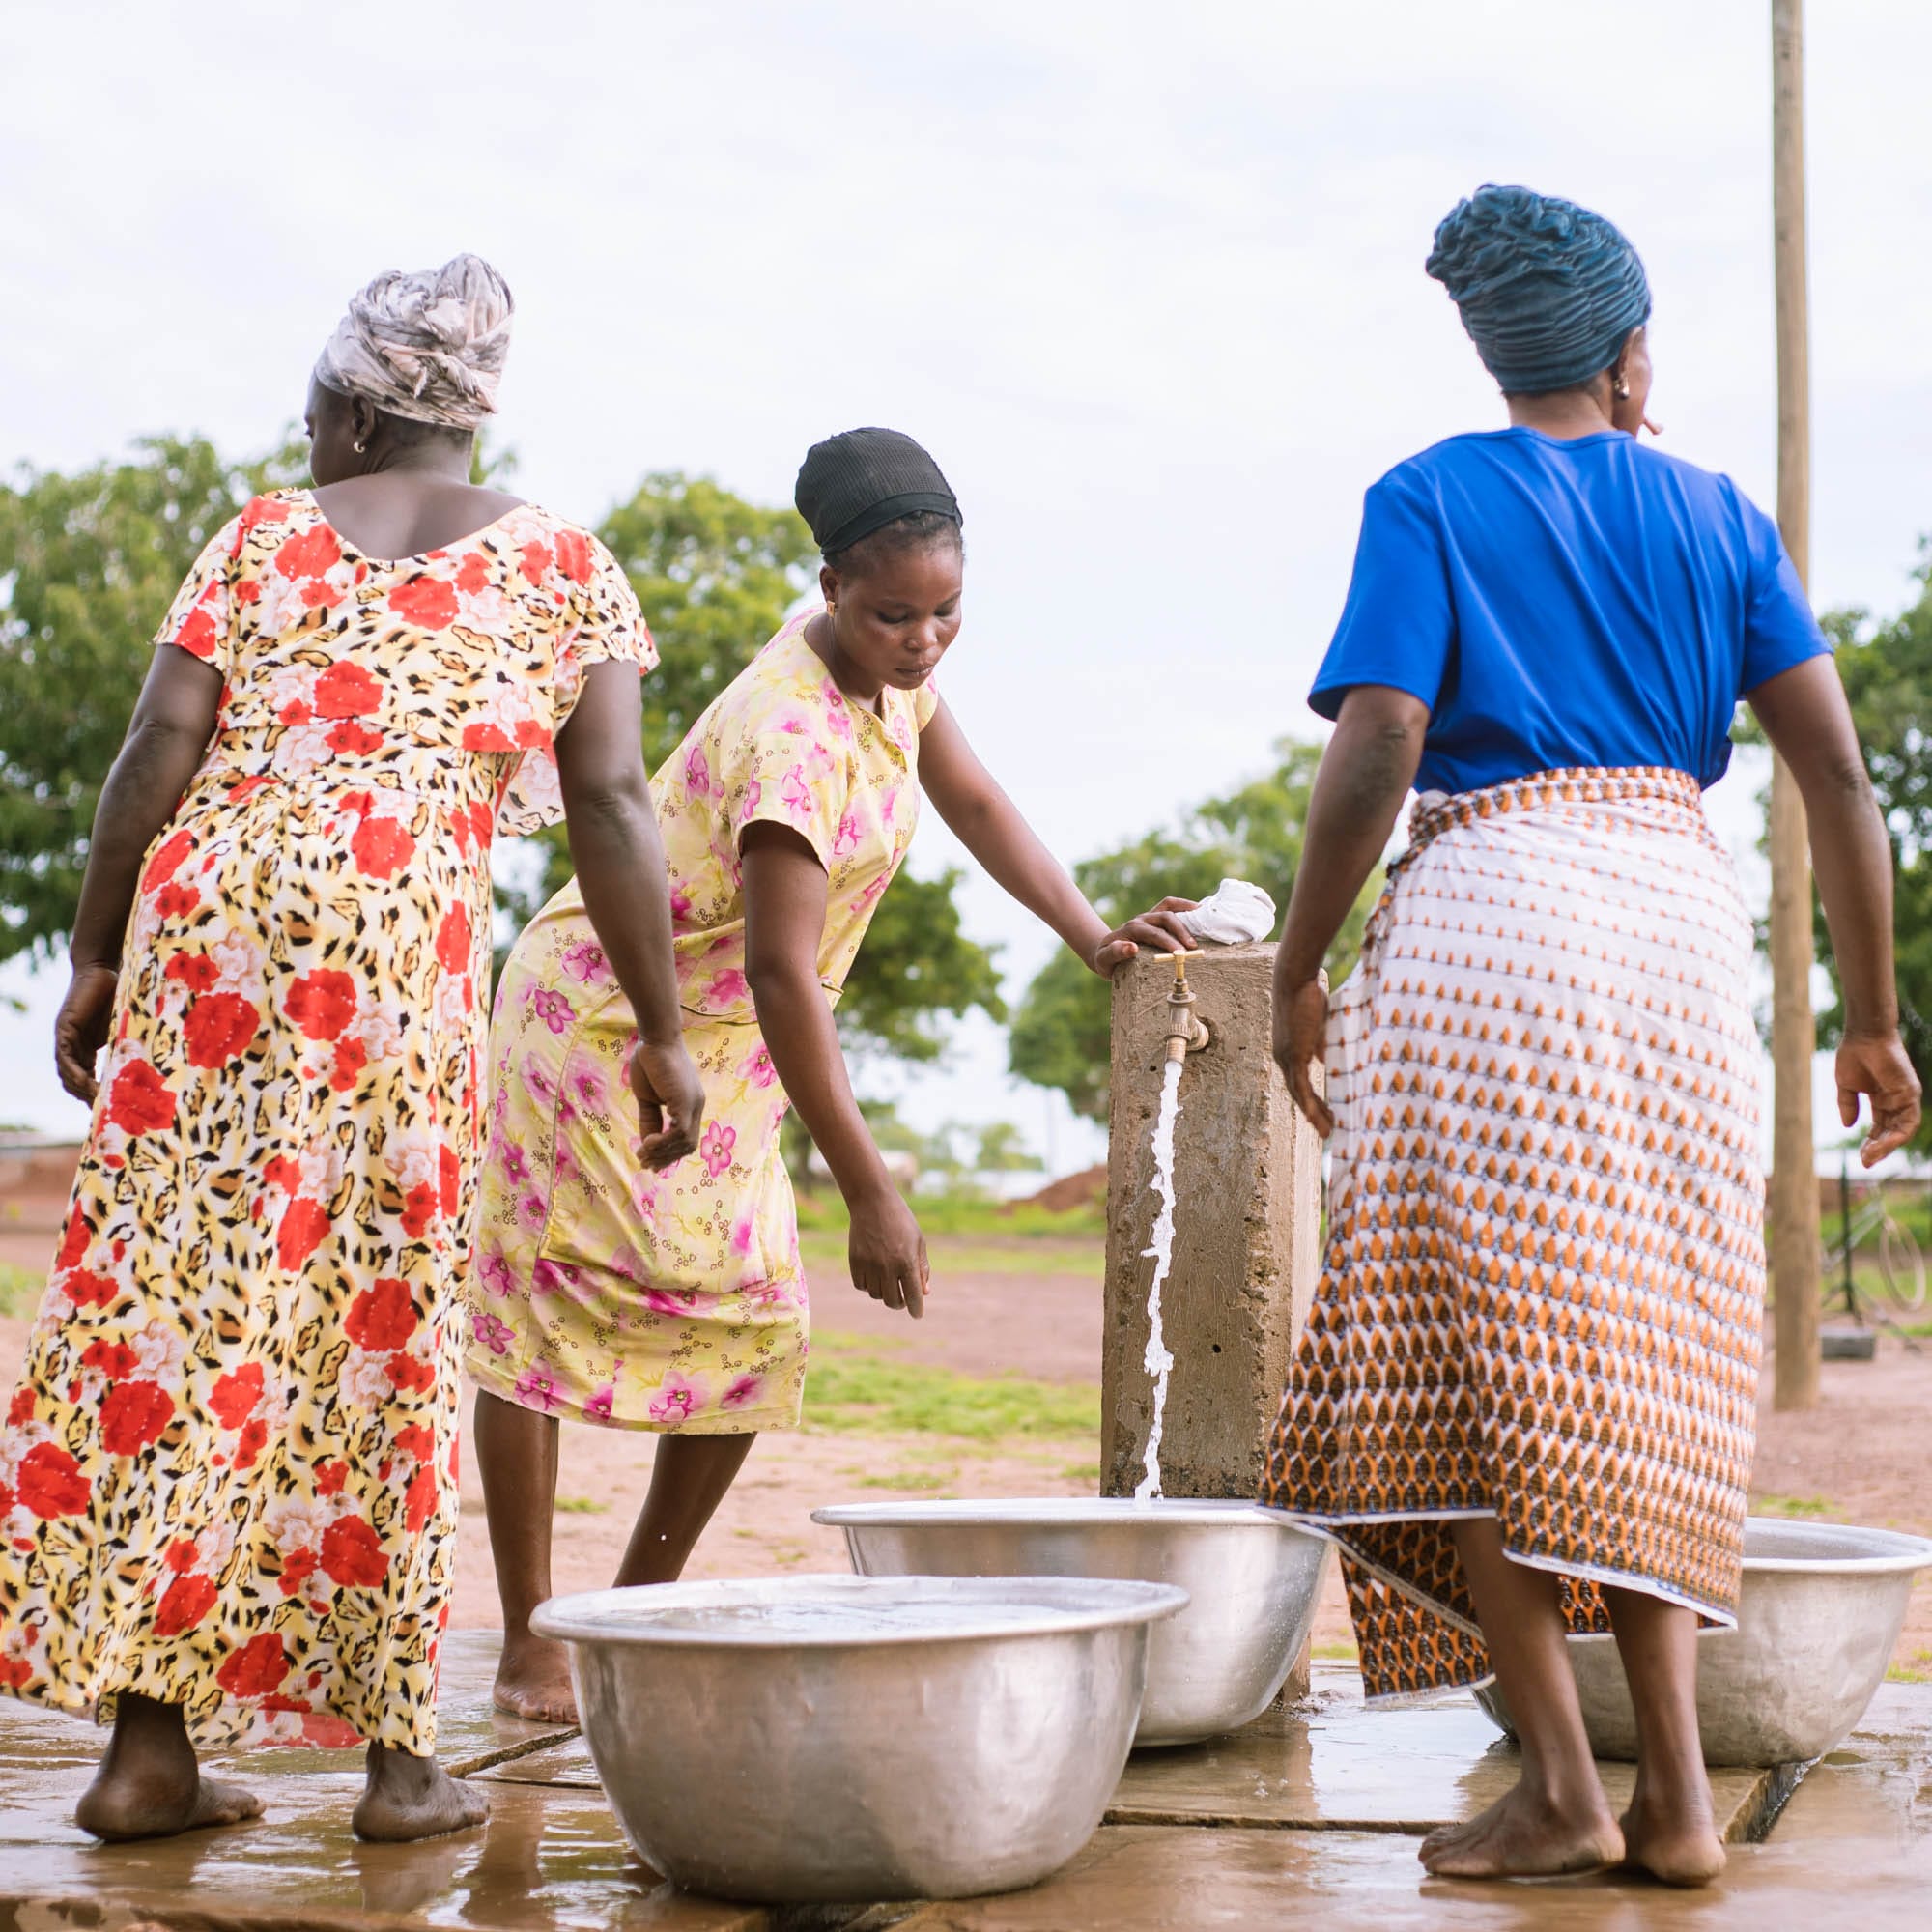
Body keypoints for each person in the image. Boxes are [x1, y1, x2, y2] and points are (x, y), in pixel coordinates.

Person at [1262, 185, 1920, 1889]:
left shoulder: (1429, 495)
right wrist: (1871, 1016)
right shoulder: (1720, 516)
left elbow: (1383, 733)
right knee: (1646, 1357)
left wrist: (1299, 962)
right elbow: (1838, 777)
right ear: (1630, 359)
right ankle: (1683, 1802)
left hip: (1492, 925)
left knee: (1467, 1362)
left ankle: (1566, 1786)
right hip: (1679, 929)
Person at [0, 255, 703, 1843]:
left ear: (344, 400)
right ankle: (398, 1767)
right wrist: (661, 1031)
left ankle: (147, 1750)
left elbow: (155, 750)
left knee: (185, 1314)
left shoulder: (257, 535)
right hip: (394, 955)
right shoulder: (567, 572)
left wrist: (98, 948)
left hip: (212, 936)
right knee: (379, 1320)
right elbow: (609, 807)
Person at [469, 427, 1194, 1721]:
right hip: (601, 1025)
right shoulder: (792, 735)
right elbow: (783, 971)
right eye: (891, 615)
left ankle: (629, 1609)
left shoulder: (894, 683)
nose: (921, 639)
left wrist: (1094, 935)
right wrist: (869, 1187)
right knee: (538, 1314)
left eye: (945, 611)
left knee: (753, 1324)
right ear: (831, 595)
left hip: (729, 1041)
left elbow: (972, 801)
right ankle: (531, 1638)